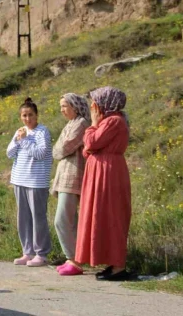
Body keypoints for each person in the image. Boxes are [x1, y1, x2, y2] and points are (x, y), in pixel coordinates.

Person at [59, 86, 132, 281]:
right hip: (100, 171)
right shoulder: (108, 121)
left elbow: (90, 144)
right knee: (99, 215)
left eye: (96, 102)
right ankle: (111, 262)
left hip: (107, 172)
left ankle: (118, 266)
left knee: (111, 216)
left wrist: (92, 124)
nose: (93, 106)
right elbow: (88, 149)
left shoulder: (113, 121)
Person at [6, 97, 53, 267]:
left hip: (36, 181)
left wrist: (24, 141)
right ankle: (28, 252)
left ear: (37, 115)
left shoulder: (43, 132)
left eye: (30, 115)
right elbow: (10, 153)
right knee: (23, 217)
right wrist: (19, 139)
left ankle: (41, 253)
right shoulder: (20, 131)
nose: (27, 119)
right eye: (24, 115)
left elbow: (40, 154)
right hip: (19, 179)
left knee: (38, 218)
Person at [50, 93, 90, 275]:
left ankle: (74, 258)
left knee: (62, 220)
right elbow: (57, 149)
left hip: (73, 176)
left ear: (75, 106)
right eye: (61, 107)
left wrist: (58, 149)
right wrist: (58, 149)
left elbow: (63, 148)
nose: (62, 110)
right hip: (65, 176)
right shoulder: (70, 124)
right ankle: (73, 259)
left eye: (65, 106)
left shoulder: (81, 123)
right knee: (69, 220)